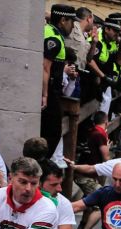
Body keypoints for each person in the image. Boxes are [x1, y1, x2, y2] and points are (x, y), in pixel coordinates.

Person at [42, 5, 77, 154]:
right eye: (71, 22)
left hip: (51, 89)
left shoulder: (49, 31)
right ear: (63, 20)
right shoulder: (54, 38)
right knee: (53, 133)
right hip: (49, 91)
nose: (73, 26)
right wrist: (45, 95)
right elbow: (45, 67)